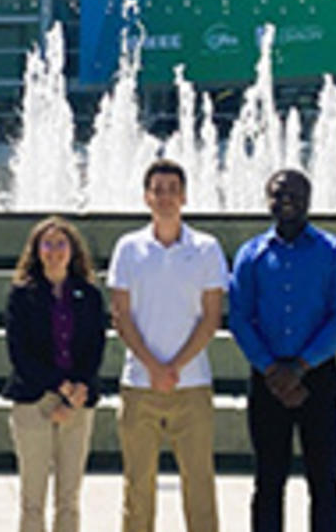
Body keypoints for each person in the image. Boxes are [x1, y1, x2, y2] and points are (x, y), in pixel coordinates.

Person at [227, 168, 336, 532]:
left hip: (318, 376)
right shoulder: (250, 255)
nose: (285, 200)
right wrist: (272, 370)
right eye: (277, 193)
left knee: (324, 481)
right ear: (267, 200)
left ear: (309, 199)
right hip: (267, 379)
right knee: (268, 480)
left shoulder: (334, 253)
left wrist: (299, 367)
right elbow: (240, 318)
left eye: (294, 193)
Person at [107, 159, 228, 532]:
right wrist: (154, 368)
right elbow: (121, 316)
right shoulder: (128, 248)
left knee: (200, 486)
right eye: (157, 190)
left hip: (191, 385)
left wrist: (174, 367)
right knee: (137, 488)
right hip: (139, 386)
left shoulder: (207, 248)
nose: (165, 198)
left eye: (172, 190)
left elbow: (211, 318)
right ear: (146, 197)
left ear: (185, 196)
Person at [3, 216, 107, 532]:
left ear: (73, 251)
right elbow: (20, 354)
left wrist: (77, 391)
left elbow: (95, 348)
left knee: (69, 499)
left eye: (61, 244)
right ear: (36, 251)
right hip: (34, 401)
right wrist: (60, 386)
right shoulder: (21, 296)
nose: (54, 251)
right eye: (47, 244)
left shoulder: (88, 295)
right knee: (32, 501)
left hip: (78, 402)